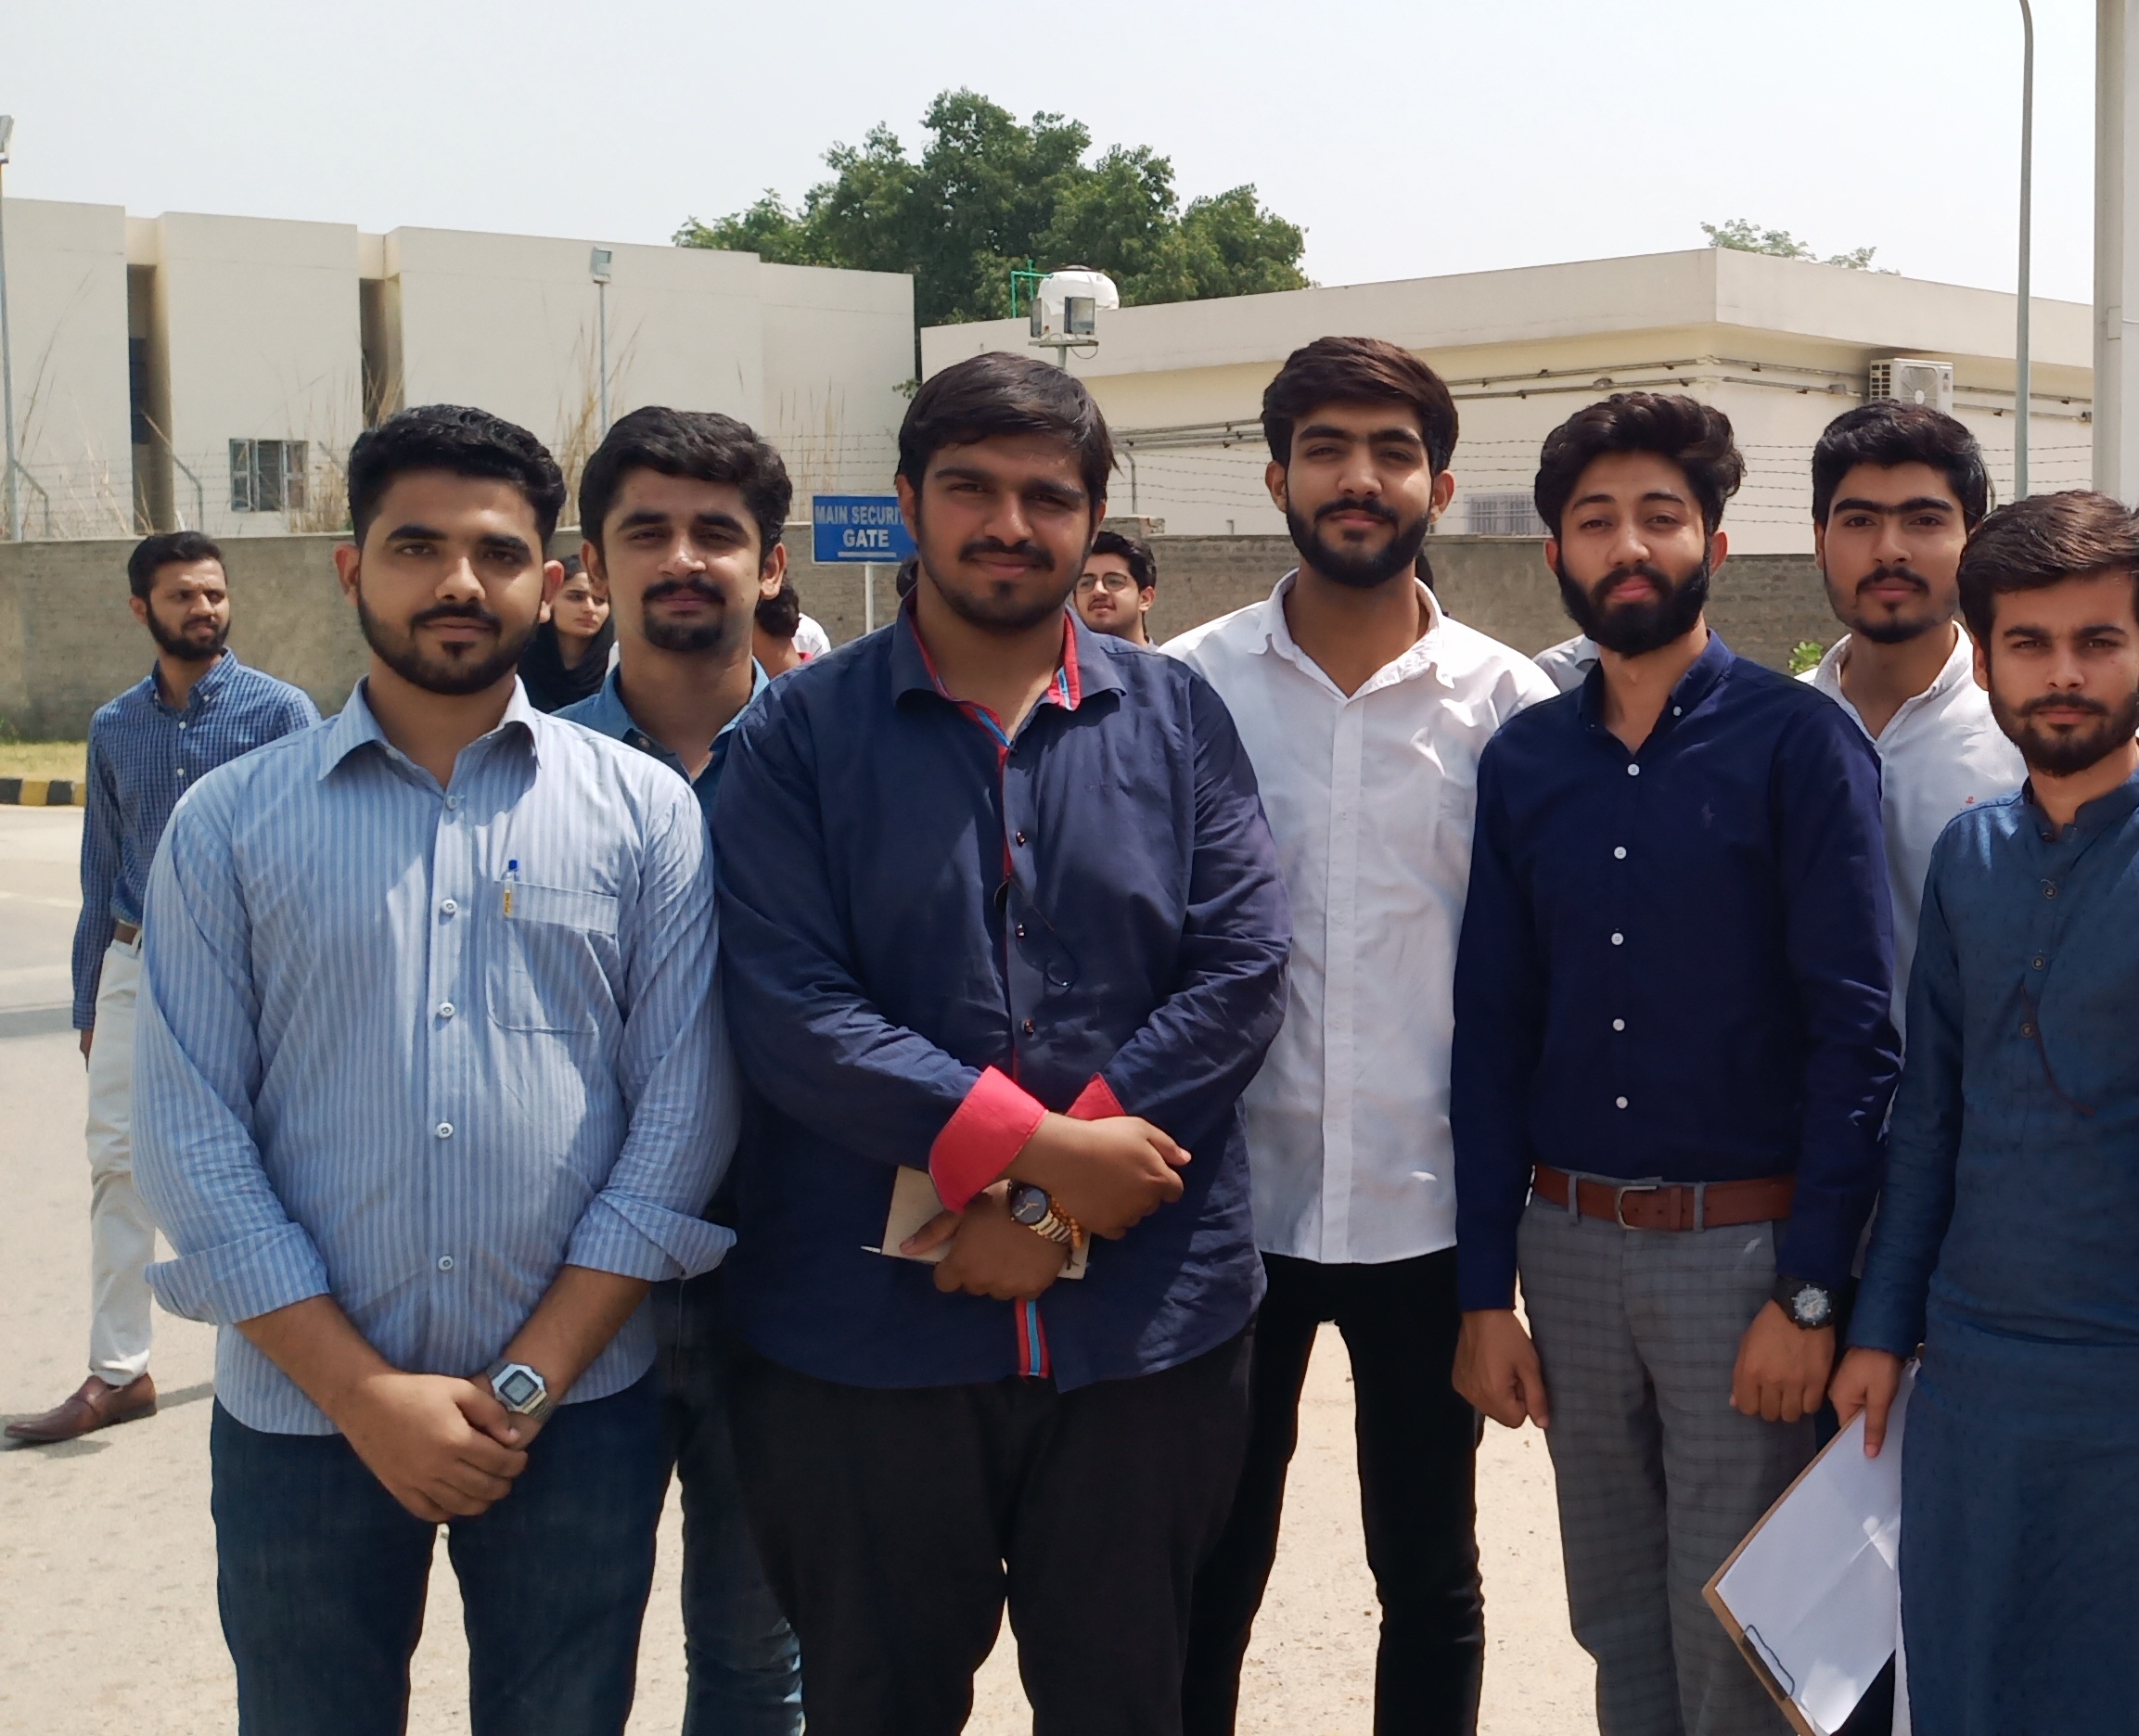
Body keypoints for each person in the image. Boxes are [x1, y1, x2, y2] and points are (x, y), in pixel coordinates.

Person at [705, 351, 1293, 1733]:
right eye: (971, 488)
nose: (1009, 524)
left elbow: (1240, 968)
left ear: (1094, 521)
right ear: (909, 499)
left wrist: (1044, 1206)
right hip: (865, 1344)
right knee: (878, 1703)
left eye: (1049, 497)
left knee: (1127, 1702)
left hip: (1143, 1338)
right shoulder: (797, 738)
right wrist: (1034, 1153)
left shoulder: (1174, 716)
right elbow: (789, 1004)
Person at [130, 404, 739, 1736]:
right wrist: (361, 1395)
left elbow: (683, 1117)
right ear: (353, 567)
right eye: (417, 547)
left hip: (575, 1414)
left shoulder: (643, 813)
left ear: (550, 578)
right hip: (303, 1416)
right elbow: (188, 1132)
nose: (458, 582)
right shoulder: (229, 824)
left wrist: (527, 1384)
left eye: (497, 553)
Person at [1450, 391, 1897, 1736]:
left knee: (1738, 1629)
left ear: (1714, 542)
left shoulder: (1800, 742)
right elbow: (1493, 1028)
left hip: (1741, 1260)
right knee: (1613, 1615)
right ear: (1556, 555)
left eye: (1661, 516)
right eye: (1597, 522)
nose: (1629, 546)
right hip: (1570, 1247)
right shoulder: (1526, 759)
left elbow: (1857, 1034)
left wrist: (1809, 1291)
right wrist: (1484, 1292)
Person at [1829, 491, 2139, 1732]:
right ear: (1984, 661)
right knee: (1969, 1692)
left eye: (2098, 642)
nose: (2065, 675)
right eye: (2029, 644)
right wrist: (1881, 1330)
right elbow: (1930, 1116)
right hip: (1973, 1387)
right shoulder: (1969, 856)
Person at [1168, 337, 1554, 1736]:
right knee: (1210, 1565)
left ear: (1439, 488)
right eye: (1325, 448)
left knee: (1431, 1573)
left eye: (1393, 453)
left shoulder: (1511, 709)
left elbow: (1540, 972)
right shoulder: (1185, 688)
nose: (1358, 477)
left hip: (1429, 1210)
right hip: (1227, 1207)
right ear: (1276, 476)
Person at [554, 404, 804, 1734]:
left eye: (718, 532)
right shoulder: (533, 775)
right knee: (562, 1658)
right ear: (596, 564)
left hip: (791, 1284)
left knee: (758, 1665)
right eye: (646, 531)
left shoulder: (839, 764)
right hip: (581, 1291)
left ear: (772, 564)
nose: (684, 558)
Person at [9, 533, 320, 1449]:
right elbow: (99, 867)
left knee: (262, 1160)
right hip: (134, 961)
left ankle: (288, 1351)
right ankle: (119, 1373)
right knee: (116, 1161)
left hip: (245, 966)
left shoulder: (281, 713)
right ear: (141, 609)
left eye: (214, 593)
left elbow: (312, 857)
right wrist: (87, 1004)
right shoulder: (114, 726)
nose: (204, 609)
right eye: (183, 595)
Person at [1797, 400, 2024, 996]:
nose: (1890, 550)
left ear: (1973, 540)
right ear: (1819, 541)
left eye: (1923, 520)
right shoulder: (1774, 733)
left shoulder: (2025, 733)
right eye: (1859, 521)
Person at [519, 554, 616, 709]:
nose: (590, 608)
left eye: (600, 600)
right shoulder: (515, 667)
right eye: (576, 597)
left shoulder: (618, 673)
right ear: (549, 597)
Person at [1079, 529, 1160, 645]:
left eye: (1114, 582)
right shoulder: (1058, 656)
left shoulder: (1171, 656)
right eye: (1086, 583)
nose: (1098, 590)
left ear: (1145, 599)